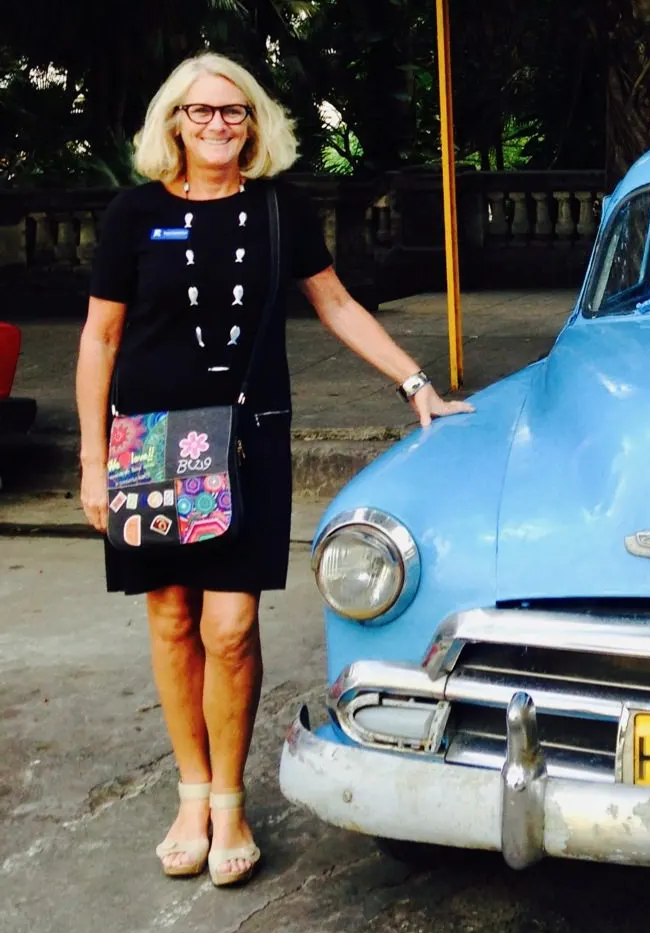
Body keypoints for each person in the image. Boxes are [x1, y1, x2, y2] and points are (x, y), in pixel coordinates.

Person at [74, 53, 473, 887]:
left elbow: (333, 303)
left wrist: (416, 384)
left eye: (234, 113)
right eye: (201, 112)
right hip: (147, 446)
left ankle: (230, 800)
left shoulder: (279, 211)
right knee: (174, 622)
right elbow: (100, 339)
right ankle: (193, 795)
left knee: (229, 628)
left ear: (254, 125)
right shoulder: (133, 214)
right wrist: (90, 459)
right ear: (173, 123)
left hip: (247, 440)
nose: (218, 125)